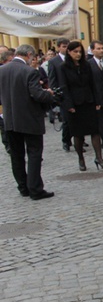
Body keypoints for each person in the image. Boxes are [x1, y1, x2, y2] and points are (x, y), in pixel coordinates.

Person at [0, 45, 57, 200]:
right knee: (34, 154)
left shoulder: (2, 70)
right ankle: (35, 189)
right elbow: (38, 95)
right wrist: (49, 94)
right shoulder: (30, 71)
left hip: (10, 120)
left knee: (16, 155)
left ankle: (23, 187)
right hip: (30, 120)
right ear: (30, 54)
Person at [57, 41, 103, 172]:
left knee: (95, 131)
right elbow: (64, 87)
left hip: (89, 101)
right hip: (74, 104)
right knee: (78, 134)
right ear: (69, 52)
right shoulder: (63, 67)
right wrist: (68, 104)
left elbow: (93, 84)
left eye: (80, 52)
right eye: (75, 52)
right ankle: (81, 158)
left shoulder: (86, 66)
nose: (78, 54)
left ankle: (99, 157)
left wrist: (97, 101)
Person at [46, 38, 72, 152]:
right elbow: (52, 80)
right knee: (66, 120)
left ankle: (78, 139)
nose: (66, 49)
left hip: (74, 93)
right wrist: (56, 96)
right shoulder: (54, 62)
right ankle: (66, 141)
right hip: (63, 95)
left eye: (68, 46)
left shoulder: (73, 59)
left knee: (76, 119)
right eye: (64, 46)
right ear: (59, 47)